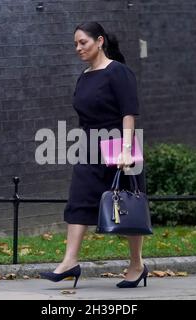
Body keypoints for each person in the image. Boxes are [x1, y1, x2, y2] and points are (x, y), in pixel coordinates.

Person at [40, 22, 148, 288]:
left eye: (83, 42)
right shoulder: (85, 75)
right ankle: (69, 262)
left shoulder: (118, 72)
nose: (78, 48)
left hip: (118, 146)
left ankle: (137, 264)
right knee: (79, 199)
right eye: (75, 44)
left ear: (99, 41)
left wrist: (125, 150)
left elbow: (128, 112)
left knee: (128, 203)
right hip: (89, 147)